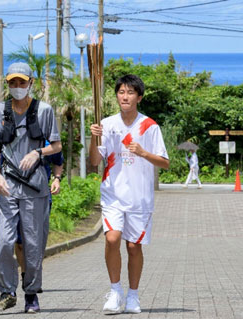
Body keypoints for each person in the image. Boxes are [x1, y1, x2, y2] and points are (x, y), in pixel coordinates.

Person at [0, 62, 61, 313]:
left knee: (33, 243)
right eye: (12, 83)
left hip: (36, 188)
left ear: (31, 83)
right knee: (4, 241)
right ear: (7, 84)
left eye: (21, 82)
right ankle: (6, 292)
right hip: (7, 185)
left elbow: (57, 147)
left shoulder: (44, 110)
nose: (17, 87)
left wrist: (38, 152)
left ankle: (31, 294)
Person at [89, 74, 169, 314]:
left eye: (130, 93)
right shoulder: (106, 124)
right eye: (121, 92)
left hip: (139, 198)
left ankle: (133, 296)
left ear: (139, 97)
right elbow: (94, 161)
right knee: (112, 239)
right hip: (112, 194)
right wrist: (94, 137)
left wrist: (143, 153)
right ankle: (115, 291)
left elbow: (164, 162)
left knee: (134, 247)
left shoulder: (149, 126)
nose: (125, 96)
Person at [15, 141, 64, 290]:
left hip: (40, 194)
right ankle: (25, 274)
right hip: (16, 194)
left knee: (35, 240)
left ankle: (33, 275)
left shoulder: (47, 143)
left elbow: (58, 162)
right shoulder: (13, 140)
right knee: (19, 241)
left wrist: (57, 178)